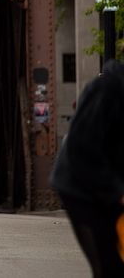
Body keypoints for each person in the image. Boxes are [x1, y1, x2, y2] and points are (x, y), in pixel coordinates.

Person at [51, 60, 124, 277]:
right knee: (109, 265)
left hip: (110, 179)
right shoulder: (108, 88)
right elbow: (81, 149)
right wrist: (118, 192)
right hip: (79, 187)